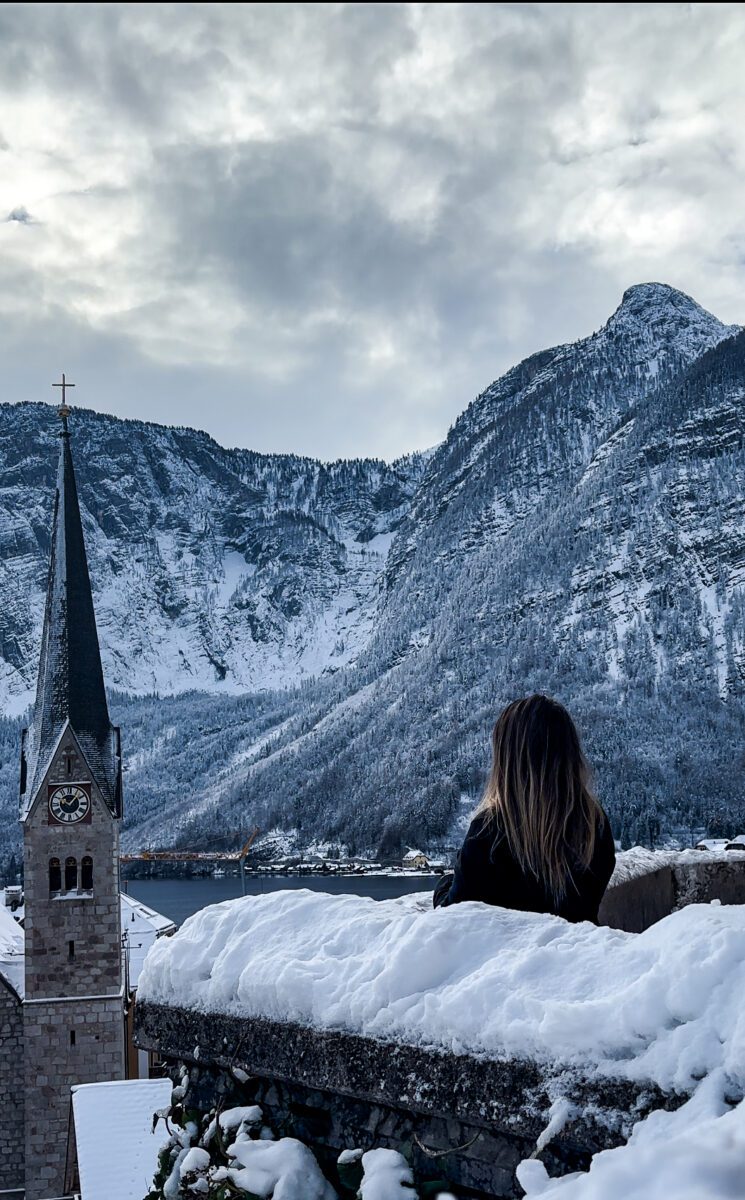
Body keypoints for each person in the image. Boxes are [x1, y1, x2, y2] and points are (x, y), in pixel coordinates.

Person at [433, 695, 615, 922]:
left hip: (513, 957)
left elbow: (452, 915)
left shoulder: (489, 832)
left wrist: (443, 885)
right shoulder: (593, 826)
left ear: (507, 760)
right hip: (577, 954)